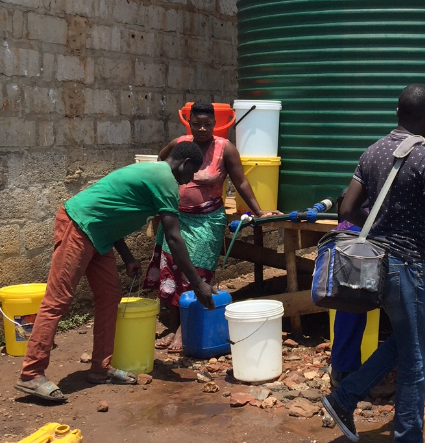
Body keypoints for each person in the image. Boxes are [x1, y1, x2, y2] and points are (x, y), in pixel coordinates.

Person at [15, 142, 215, 403]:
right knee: (58, 299)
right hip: (78, 224)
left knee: (110, 297)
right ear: (185, 163)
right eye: (193, 173)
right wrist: (198, 285)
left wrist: (128, 256)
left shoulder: (154, 174)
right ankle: (31, 374)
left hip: (100, 234)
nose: (190, 180)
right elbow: (174, 238)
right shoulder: (166, 180)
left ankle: (100, 369)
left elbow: (114, 211)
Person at [322, 84, 425, 443]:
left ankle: (344, 396)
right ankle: (407, 436)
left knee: (407, 344)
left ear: (397, 114)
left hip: (375, 266)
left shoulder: (371, 153)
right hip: (409, 268)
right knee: (416, 361)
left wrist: (381, 218)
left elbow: (347, 210)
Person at [145, 101, 280, 353]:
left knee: (197, 270)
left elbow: (241, 182)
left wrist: (259, 210)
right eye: (196, 124)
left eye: (207, 124)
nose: (202, 129)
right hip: (176, 217)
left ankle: (184, 331)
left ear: (215, 124)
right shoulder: (181, 144)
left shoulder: (225, 148)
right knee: (172, 271)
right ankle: (174, 324)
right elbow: (160, 163)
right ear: (189, 123)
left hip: (207, 219)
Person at [329, 190, 425, 397]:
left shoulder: (370, 158)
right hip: (400, 237)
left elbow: (347, 207)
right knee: (415, 307)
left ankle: (342, 371)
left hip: (357, 231)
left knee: (351, 299)